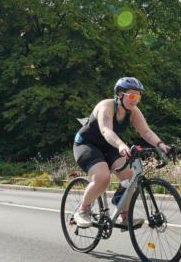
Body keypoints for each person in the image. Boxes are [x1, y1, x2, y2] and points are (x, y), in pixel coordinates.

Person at [72, 77, 171, 230]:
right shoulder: (106, 106)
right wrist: (121, 145)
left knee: (131, 176)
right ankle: (83, 211)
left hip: (109, 145)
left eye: (138, 97)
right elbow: (106, 130)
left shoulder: (133, 111)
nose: (135, 100)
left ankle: (124, 214)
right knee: (102, 177)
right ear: (119, 94)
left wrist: (161, 145)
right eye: (131, 96)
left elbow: (146, 132)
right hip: (87, 144)